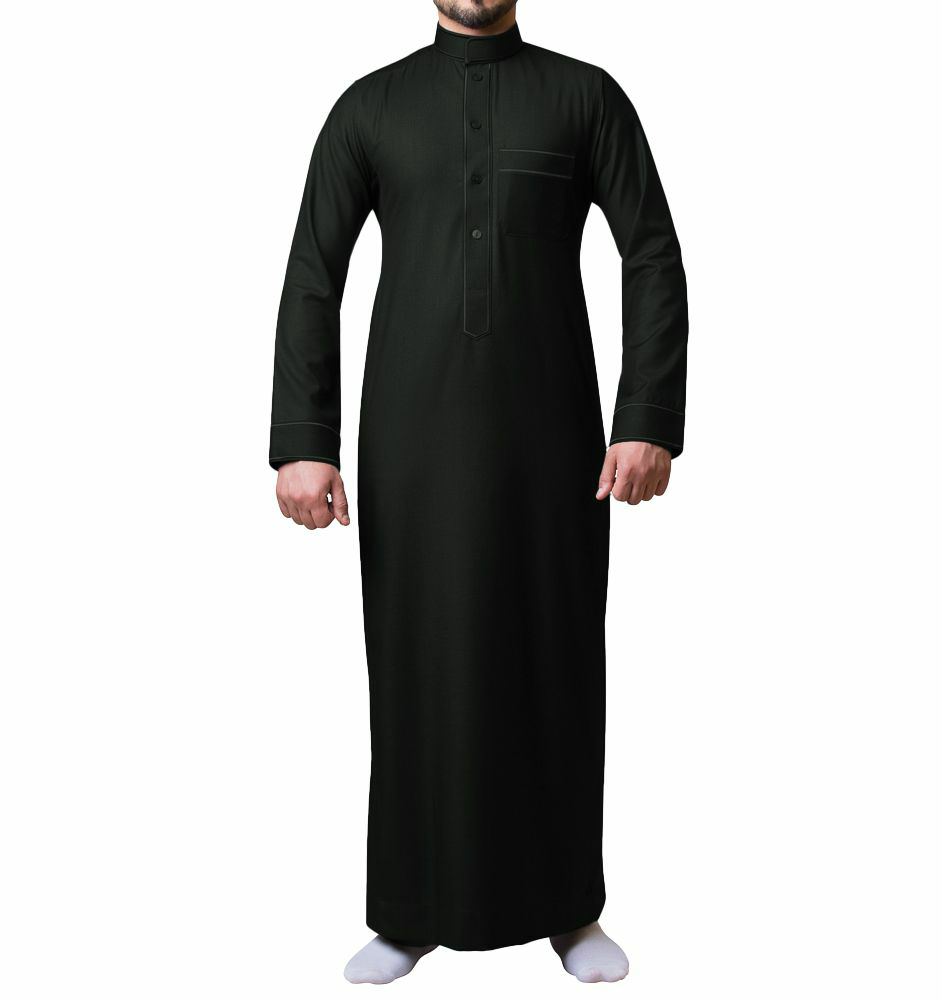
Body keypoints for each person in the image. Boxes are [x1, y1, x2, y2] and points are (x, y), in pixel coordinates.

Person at [269, 0, 688, 984]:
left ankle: (568, 909)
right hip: (409, 439)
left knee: (553, 659)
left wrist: (646, 417)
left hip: (555, 438)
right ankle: (406, 912)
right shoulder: (370, 108)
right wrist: (303, 442)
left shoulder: (586, 98)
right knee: (416, 664)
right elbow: (314, 274)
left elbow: (651, 253)